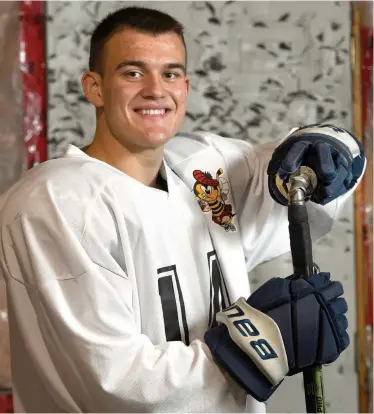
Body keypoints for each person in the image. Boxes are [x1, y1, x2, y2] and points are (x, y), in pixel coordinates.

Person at [0, 6, 366, 413]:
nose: (156, 90)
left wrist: (329, 149)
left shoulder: (203, 165)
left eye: (170, 74)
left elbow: (313, 167)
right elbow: (111, 383)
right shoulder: (54, 202)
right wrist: (262, 346)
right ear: (95, 88)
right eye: (133, 73)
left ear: (186, 88)